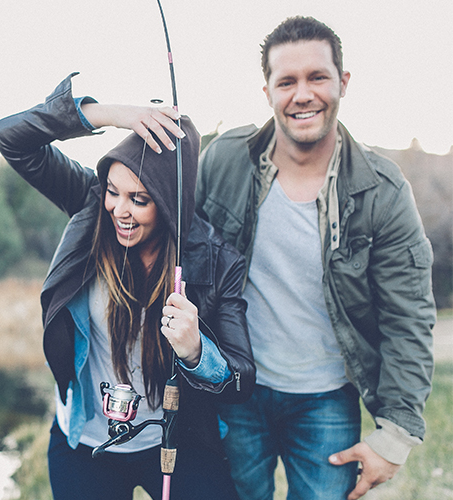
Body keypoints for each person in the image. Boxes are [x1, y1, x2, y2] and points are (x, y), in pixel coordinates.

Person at [194, 16, 436, 500]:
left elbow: (408, 315)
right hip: (235, 388)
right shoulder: (223, 160)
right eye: (287, 81)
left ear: (342, 82)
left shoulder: (383, 192)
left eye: (317, 77)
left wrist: (395, 437)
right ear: (267, 91)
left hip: (326, 401)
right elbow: (181, 253)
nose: (302, 95)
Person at [0, 73, 255, 500]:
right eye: (114, 191)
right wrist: (113, 115)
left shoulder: (217, 260)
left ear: (169, 204)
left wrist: (196, 350)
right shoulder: (90, 203)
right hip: (84, 444)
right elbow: (13, 139)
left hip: (176, 441)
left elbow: (241, 381)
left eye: (139, 199)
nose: (119, 210)